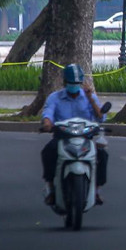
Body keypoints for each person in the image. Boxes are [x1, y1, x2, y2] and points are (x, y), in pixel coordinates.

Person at [40, 63, 108, 206]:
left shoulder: (89, 97)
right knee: (48, 151)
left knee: (102, 154)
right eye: (71, 83)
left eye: (77, 83)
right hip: (62, 138)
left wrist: (90, 99)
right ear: (65, 82)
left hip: (85, 138)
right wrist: (47, 123)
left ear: (81, 83)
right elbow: (48, 113)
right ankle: (51, 187)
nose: (74, 86)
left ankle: (96, 190)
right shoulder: (55, 97)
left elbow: (101, 117)